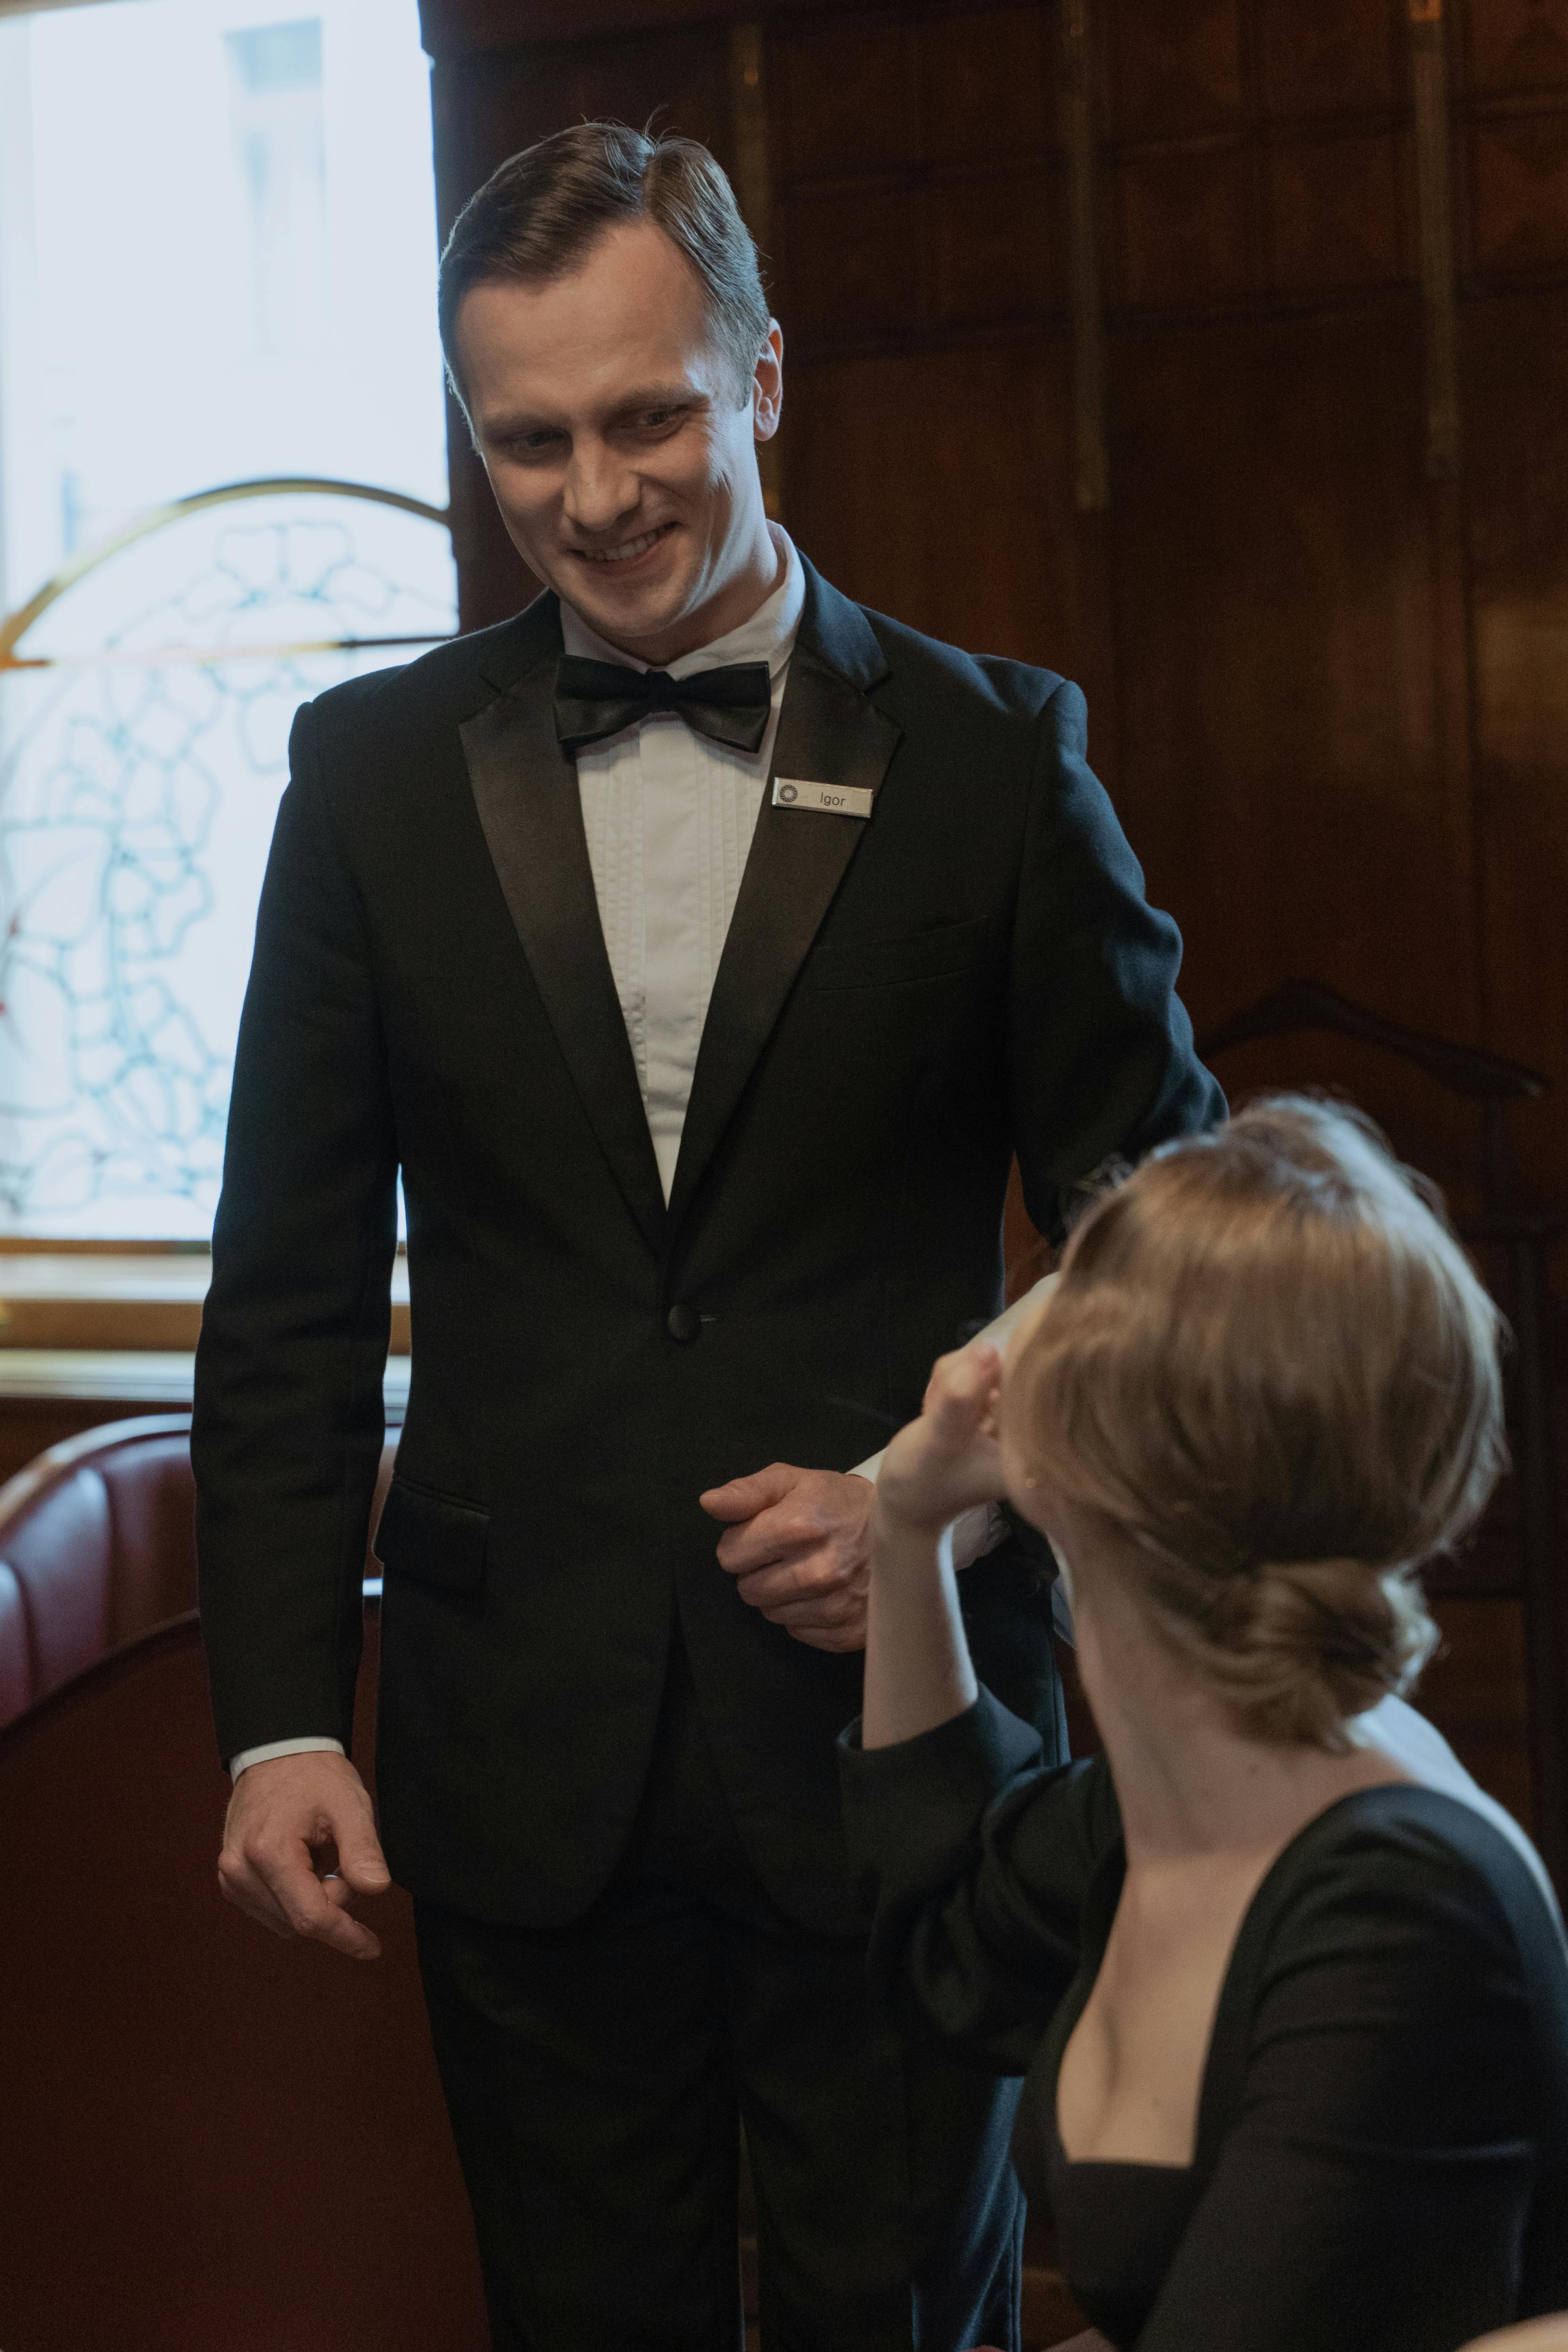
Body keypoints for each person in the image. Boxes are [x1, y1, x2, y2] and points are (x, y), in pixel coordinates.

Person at [193, 121, 1222, 2352]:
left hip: (906, 1729)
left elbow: (1180, 1241)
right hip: (512, 1742)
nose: (593, 492)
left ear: (761, 375)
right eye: (526, 440)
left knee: (895, 2314)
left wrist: (942, 1499)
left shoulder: (991, 759)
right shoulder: (361, 774)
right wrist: (277, 1720)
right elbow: (282, 1283)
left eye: (646, 414)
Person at [843, 1096, 1568, 2352]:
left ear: (1077, 1463)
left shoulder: (1399, 1901)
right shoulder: (1182, 1785)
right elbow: (945, 1948)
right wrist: (905, 1531)